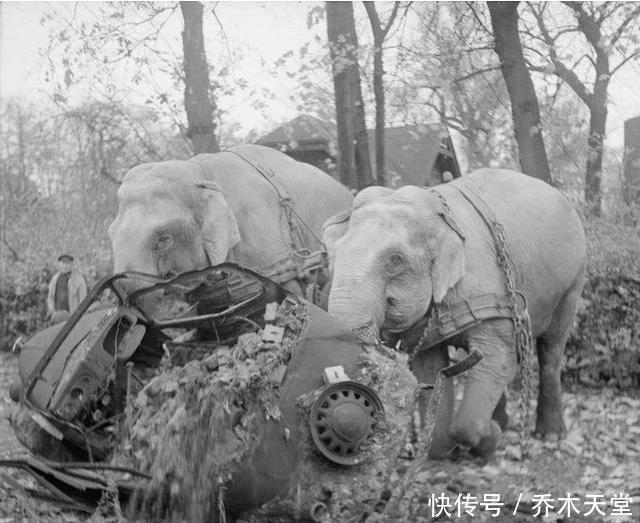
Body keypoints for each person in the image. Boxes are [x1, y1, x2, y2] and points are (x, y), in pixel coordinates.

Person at [47, 254, 88, 324]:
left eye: (68, 263)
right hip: (57, 318)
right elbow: (50, 297)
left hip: (72, 319)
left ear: (72, 264)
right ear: (59, 264)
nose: (65, 265)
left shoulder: (79, 280)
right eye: (63, 263)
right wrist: (52, 311)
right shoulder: (55, 279)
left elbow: (83, 301)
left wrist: (78, 317)